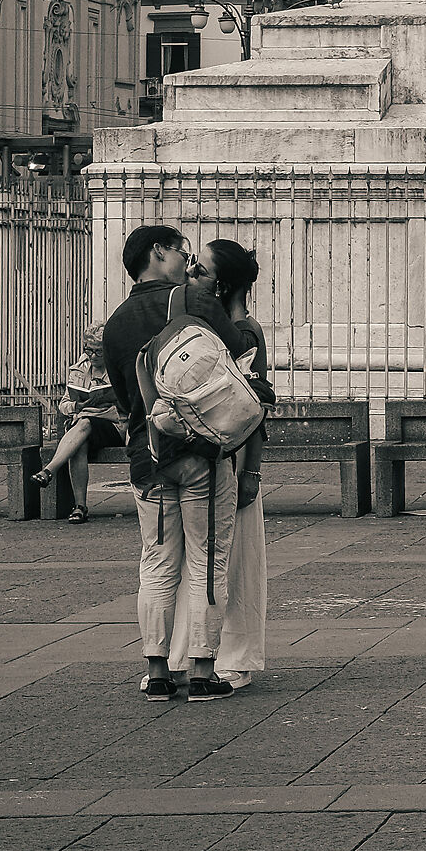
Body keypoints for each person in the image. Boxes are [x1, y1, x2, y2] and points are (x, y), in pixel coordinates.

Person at [102, 225, 275, 702]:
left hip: (148, 455)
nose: (187, 260)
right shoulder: (194, 302)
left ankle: (157, 669)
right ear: (159, 252)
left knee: (155, 564)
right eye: (182, 251)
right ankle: (201, 668)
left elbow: (125, 401)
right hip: (199, 453)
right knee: (205, 560)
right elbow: (236, 363)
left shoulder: (114, 324)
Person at [169, 239, 268, 692]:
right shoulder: (205, 324)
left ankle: (234, 656)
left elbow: (253, 409)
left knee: (235, 564)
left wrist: (251, 472)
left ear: (221, 283)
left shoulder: (243, 331)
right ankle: (198, 651)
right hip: (206, 459)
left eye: (200, 269)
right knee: (204, 564)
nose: (190, 272)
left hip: (235, 457)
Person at [34, 322, 125, 523]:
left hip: (113, 424)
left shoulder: (119, 365)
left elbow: (130, 403)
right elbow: (63, 405)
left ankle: (49, 470)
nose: (92, 356)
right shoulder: (79, 368)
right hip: (85, 424)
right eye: (88, 350)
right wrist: (77, 405)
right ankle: (80, 507)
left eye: (98, 352)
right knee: (80, 439)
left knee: (83, 424)